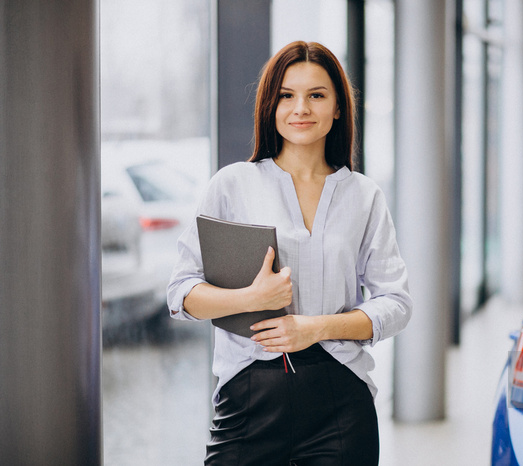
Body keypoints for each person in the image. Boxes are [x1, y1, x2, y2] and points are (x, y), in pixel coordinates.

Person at [167, 40, 412, 466]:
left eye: (316, 95)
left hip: (341, 403)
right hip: (249, 399)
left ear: (337, 108)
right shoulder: (232, 184)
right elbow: (181, 293)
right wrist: (251, 300)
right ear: (270, 105)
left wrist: (314, 328)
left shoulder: (364, 195)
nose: (301, 108)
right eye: (286, 95)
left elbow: (397, 303)